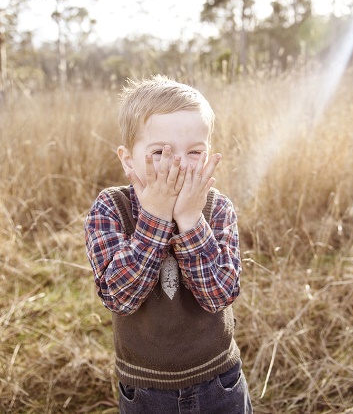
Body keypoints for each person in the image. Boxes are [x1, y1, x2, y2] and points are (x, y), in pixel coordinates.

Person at [84, 75, 252, 414]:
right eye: (160, 151)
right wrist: (156, 218)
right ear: (128, 159)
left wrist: (191, 221)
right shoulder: (110, 209)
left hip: (219, 380)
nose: (178, 164)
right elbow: (120, 297)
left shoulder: (216, 208)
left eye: (194, 152)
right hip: (146, 390)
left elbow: (220, 294)